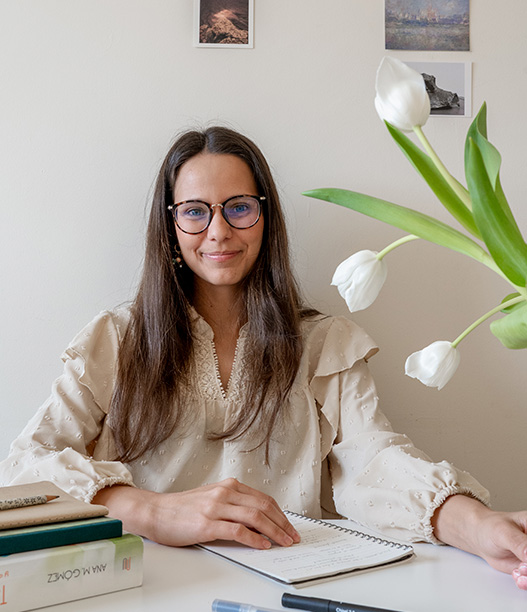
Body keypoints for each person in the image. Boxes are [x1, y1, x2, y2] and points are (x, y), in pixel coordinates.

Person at [1, 126, 526, 590]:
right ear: (170, 226)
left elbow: (376, 462)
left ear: (265, 217)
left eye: (239, 207)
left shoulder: (326, 343)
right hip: (146, 588)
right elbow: (24, 468)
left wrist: (477, 525)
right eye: (194, 212)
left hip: (293, 587)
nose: (219, 231)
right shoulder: (113, 340)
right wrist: (151, 510)